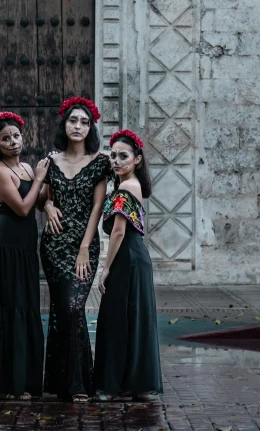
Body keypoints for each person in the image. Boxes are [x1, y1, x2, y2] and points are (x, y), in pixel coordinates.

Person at [0, 111, 50, 399]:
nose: (13, 142)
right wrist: (41, 178)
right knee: (7, 310)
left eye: (16, 136)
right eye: (6, 139)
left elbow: (40, 203)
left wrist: (48, 195)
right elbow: (23, 208)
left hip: (26, 249)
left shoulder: (27, 168)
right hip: (5, 248)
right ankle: (5, 385)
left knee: (24, 309)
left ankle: (23, 383)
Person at [40, 97, 111, 402]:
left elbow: (97, 207)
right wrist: (47, 205)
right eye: (73, 121)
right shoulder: (50, 162)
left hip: (84, 246)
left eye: (84, 122)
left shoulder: (100, 163)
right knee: (61, 309)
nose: (78, 126)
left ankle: (78, 382)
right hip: (54, 246)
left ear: (90, 127)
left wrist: (84, 247)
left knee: (74, 307)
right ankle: (61, 383)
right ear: (64, 124)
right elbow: (43, 195)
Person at [93, 129, 163, 400]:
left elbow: (119, 232)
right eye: (114, 156)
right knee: (129, 320)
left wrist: (106, 267)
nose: (117, 160)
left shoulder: (126, 186)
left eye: (124, 156)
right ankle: (129, 382)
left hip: (127, 258)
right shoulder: (132, 184)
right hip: (134, 258)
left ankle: (114, 385)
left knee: (117, 319)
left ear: (137, 159)